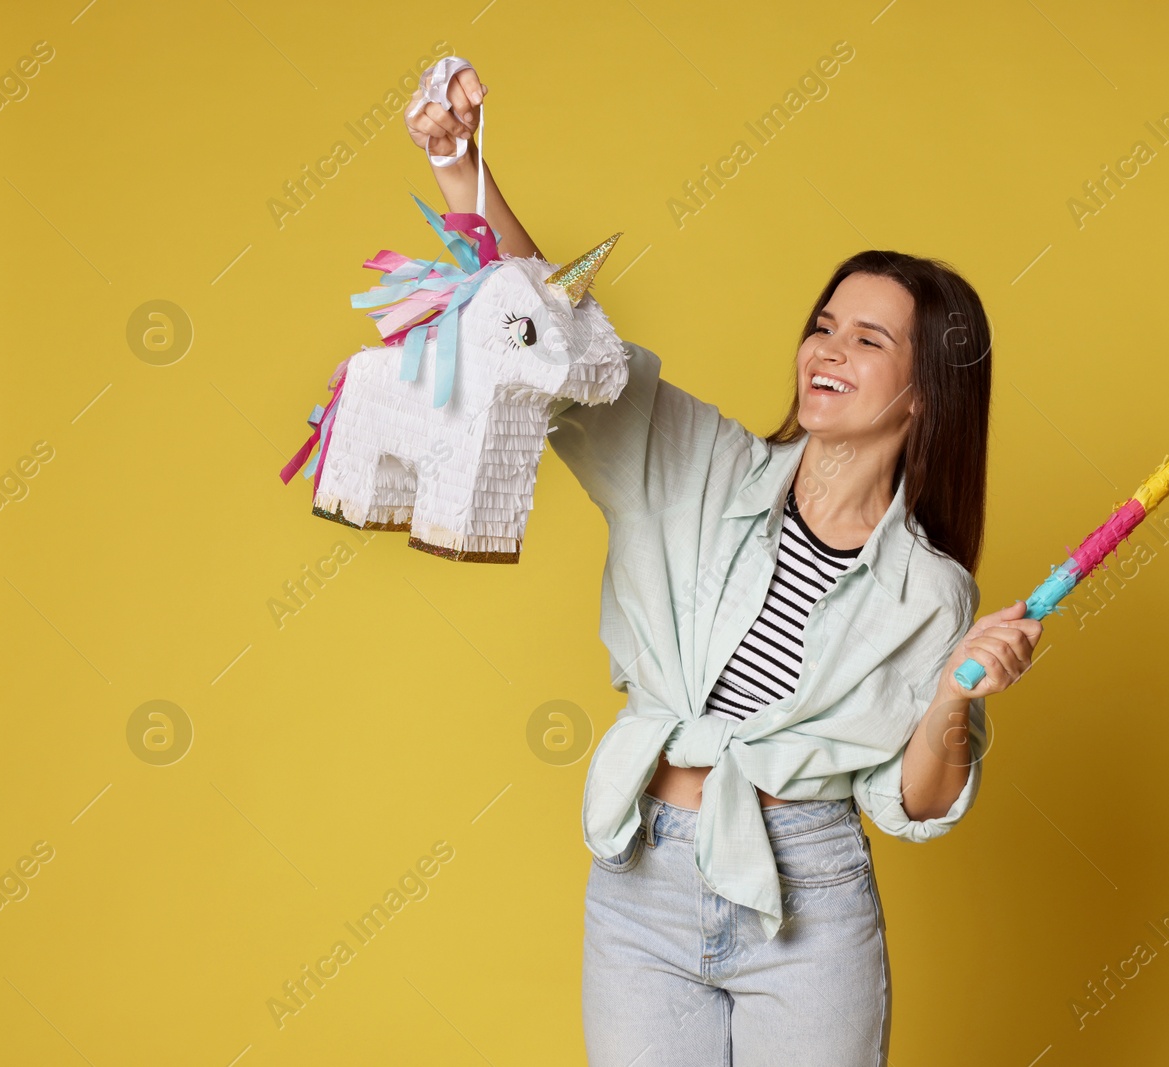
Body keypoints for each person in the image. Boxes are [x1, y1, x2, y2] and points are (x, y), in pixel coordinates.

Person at [407, 61, 1042, 1066]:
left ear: (924, 393)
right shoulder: (702, 465)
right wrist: (462, 170)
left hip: (809, 897)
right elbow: (566, 350)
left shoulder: (931, 591)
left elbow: (911, 800)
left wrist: (956, 696)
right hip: (641, 885)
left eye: (868, 338)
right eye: (822, 324)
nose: (825, 349)